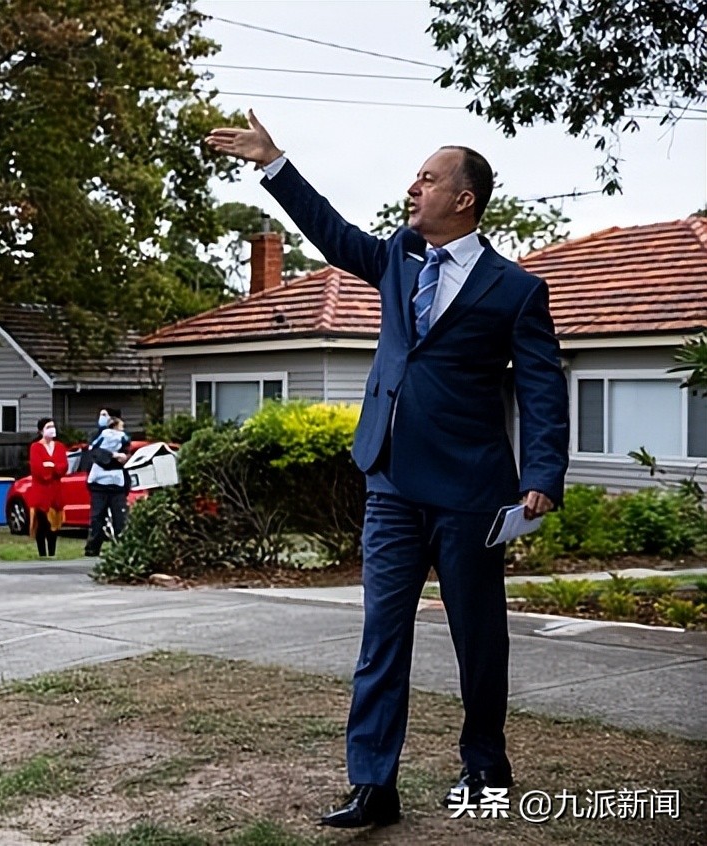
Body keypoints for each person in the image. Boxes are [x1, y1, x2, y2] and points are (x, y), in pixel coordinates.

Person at [206, 112, 569, 827]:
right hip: (391, 483)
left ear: (464, 199)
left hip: (471, 490)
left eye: (428, 179)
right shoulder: (400, 257)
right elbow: (335, 234)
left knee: (480, 640)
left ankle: (485, 766)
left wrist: (543, 475)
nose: (414, 188)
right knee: (382, 636)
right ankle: (373, 785)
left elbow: (542, 386)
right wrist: (276, 163)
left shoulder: (515, 289)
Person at [83, 416, 130, 557]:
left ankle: (122, 548)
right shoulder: (101, 439)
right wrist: (115, 456)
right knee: (97, 518)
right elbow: (96, 454)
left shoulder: (121, 442)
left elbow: (128, 455)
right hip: (100, 486)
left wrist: (123, 457)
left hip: (117, 487)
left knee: (120, 519)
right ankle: (93, 548)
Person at [27, 418, 68, 558]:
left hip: (56, 490)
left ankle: (52, 553)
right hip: (41, 491)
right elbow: (38, 469)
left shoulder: (60, 447)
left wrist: (52, 467)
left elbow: (63, 467)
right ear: (41, 431)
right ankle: (42, 553)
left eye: (53, 426)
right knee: (42, 524)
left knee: (54, 525)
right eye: (48, 426)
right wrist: (51, 469)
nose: (52, 429)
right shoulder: (35, 447)